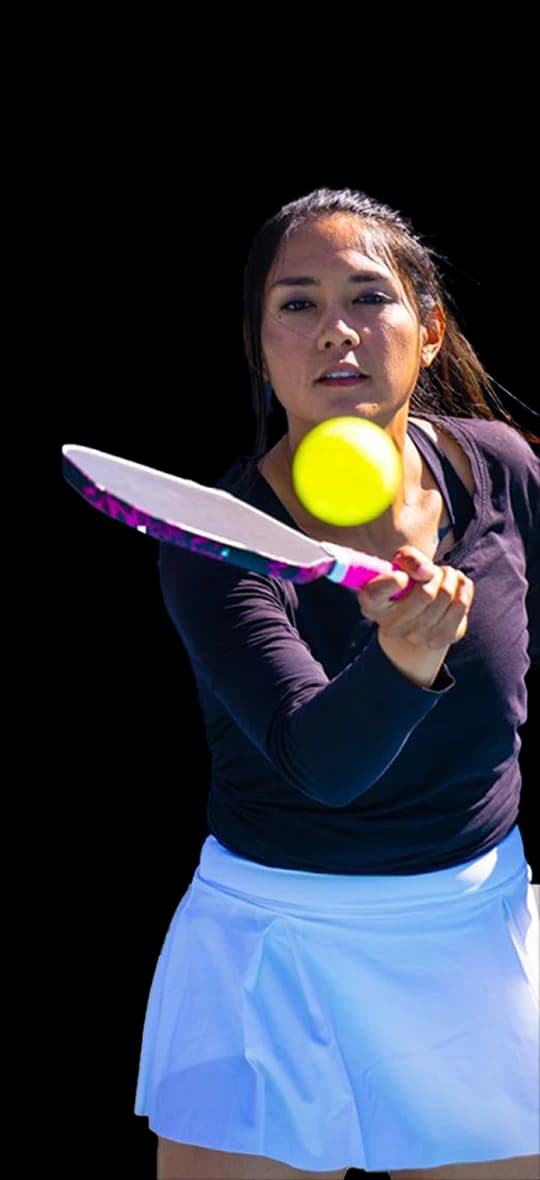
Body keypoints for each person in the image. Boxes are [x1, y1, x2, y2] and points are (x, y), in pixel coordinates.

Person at [134, 188, 539, 1180]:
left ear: (429, 328)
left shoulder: (502, 470)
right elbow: (324, 765)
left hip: (471, 941)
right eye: (298, 304)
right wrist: (403, 664)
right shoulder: (213, 543)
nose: (337, 332)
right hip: (270, 952)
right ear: (260, 344)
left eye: (369, 296)